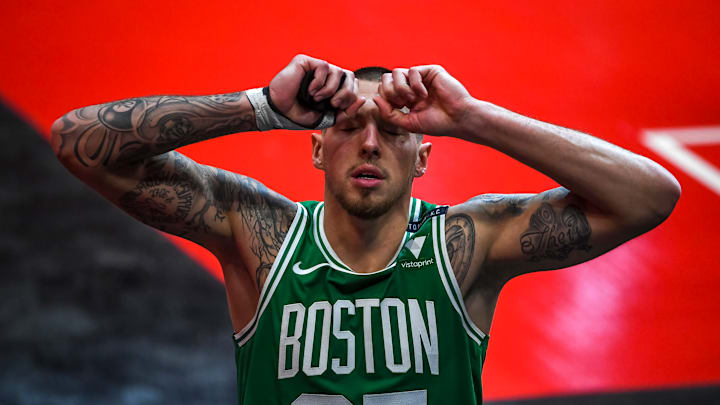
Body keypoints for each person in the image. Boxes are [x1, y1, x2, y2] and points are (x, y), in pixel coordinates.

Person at [50, 54, 681, 404]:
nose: (371, 143)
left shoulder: (468, 244)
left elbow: (649, 196)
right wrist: (258, 107)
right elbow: (76, 141)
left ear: (425, 154)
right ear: (318, 150)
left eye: (397, 131)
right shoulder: (259, 234)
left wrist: (472, 115)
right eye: (350, 127)